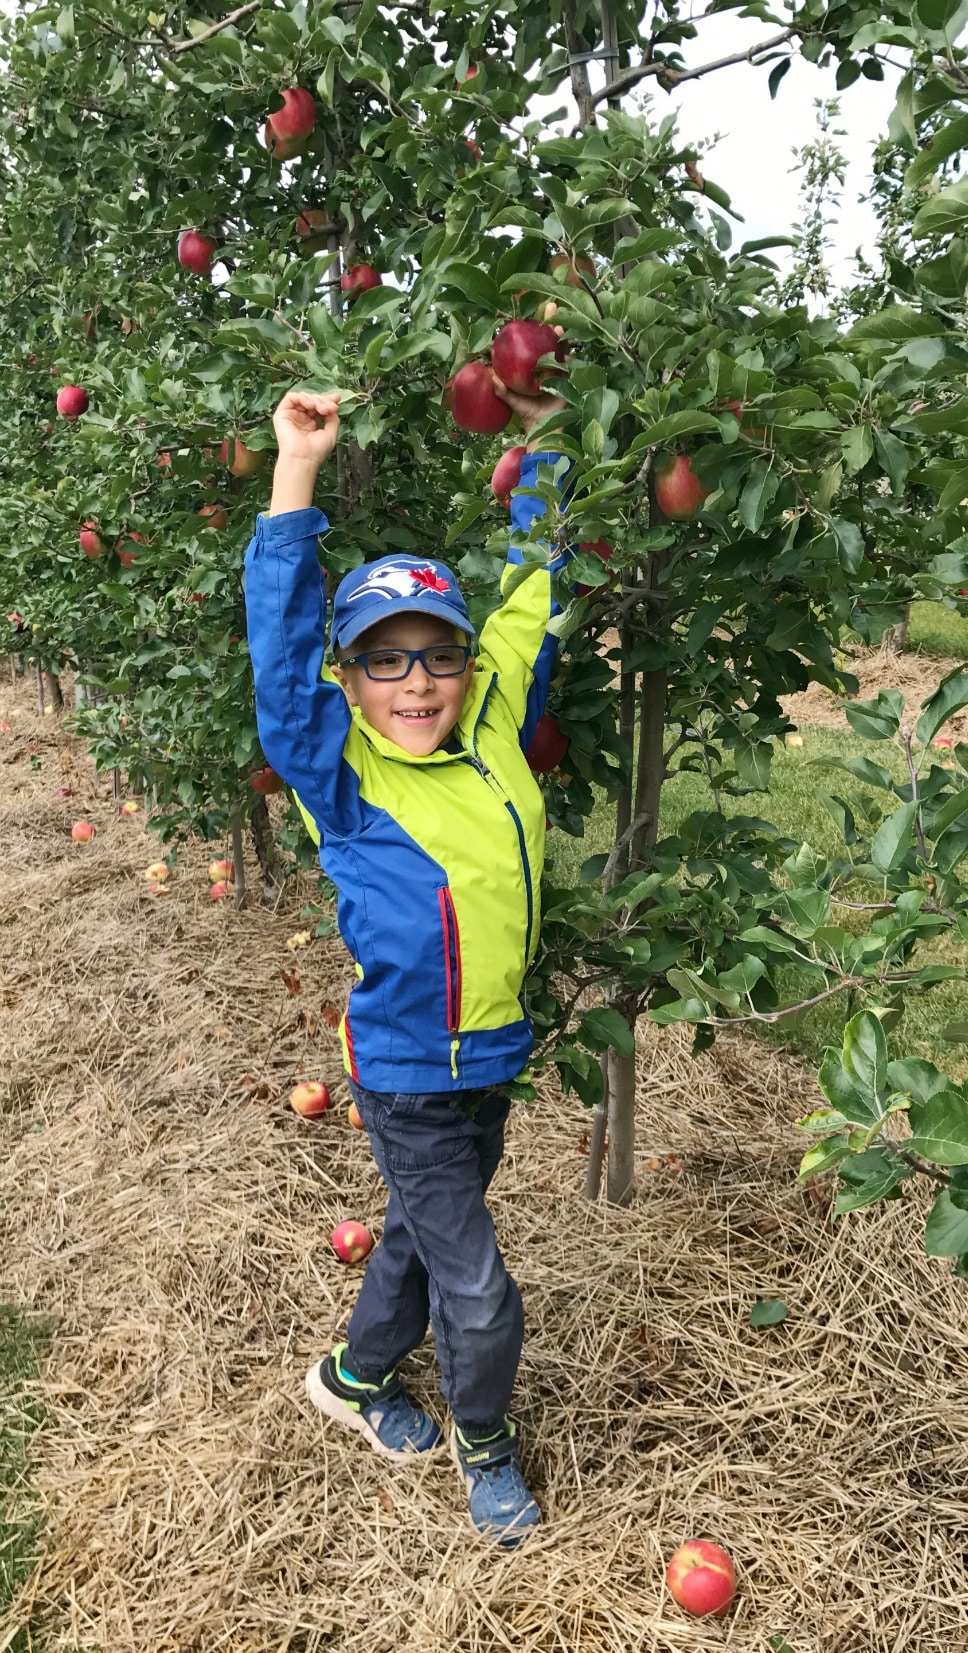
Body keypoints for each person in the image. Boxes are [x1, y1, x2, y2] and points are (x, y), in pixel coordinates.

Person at [243, 374, 571, 1547]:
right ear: (347, 683)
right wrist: (295, 474)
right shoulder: (346, 778)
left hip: (491, 1057)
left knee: (419, 1241)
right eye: (384, 662)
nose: (417, 682)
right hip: (403, 1075)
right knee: (478, 1288)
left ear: (470, 667)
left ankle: (350, 1374)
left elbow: (535, 579)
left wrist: (541, 440)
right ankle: (487, 1447)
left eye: (437, 655)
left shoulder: (491, 727)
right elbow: (281, 665)